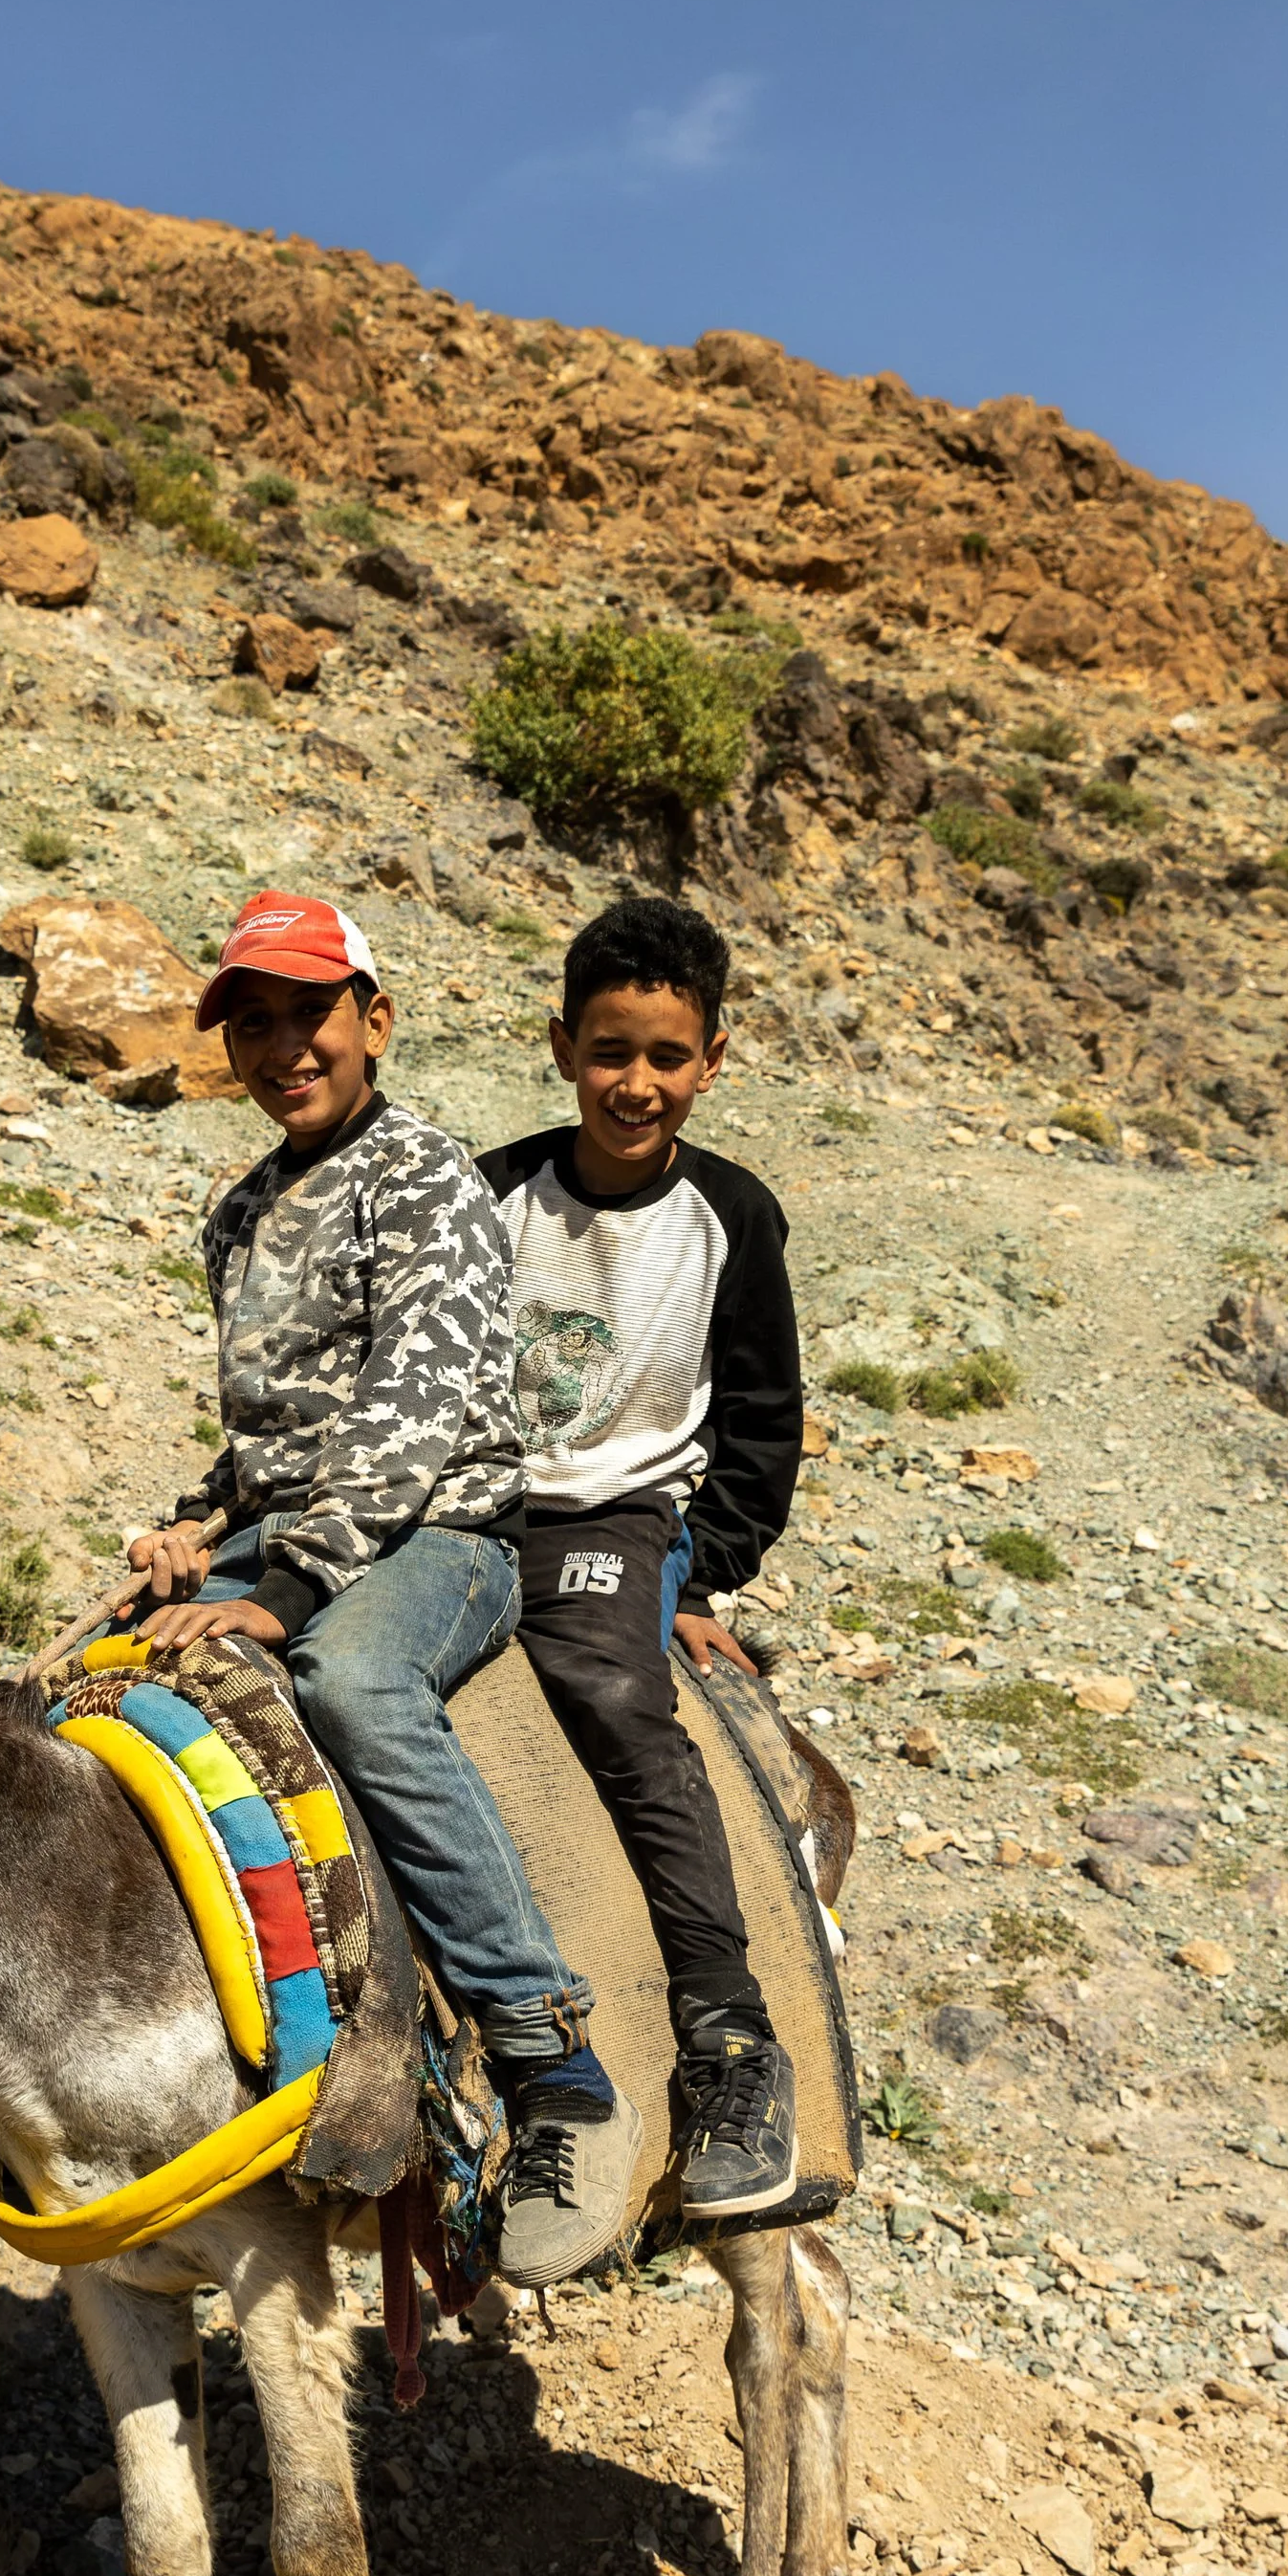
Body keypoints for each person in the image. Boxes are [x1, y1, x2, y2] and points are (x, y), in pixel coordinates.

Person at [123, 887, 642, 2282]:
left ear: (377, 1021)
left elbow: (413, 1407)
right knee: (96, 1686)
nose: (286, 1048)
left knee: (352, 1678)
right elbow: (270, 1436)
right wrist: (193, 1524)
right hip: (293, 1525)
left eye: (313, 1016)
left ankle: (547, 2058)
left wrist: (284, 1589)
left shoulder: (426, 1179)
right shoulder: (238, 1212)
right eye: (257, 1024)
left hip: (437, 1535)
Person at [476, 890, 804, 2225]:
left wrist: (700, 1566)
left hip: (617, 1522)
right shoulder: (490, 1190)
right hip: (473, 1502)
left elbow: (764, 1421)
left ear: (713, 1059)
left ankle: (729, 2038)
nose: (637, 1083)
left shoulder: (732, 1216)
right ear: (561, 1044)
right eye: (611, 1050)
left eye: (668, 1057)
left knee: (619, 1702)